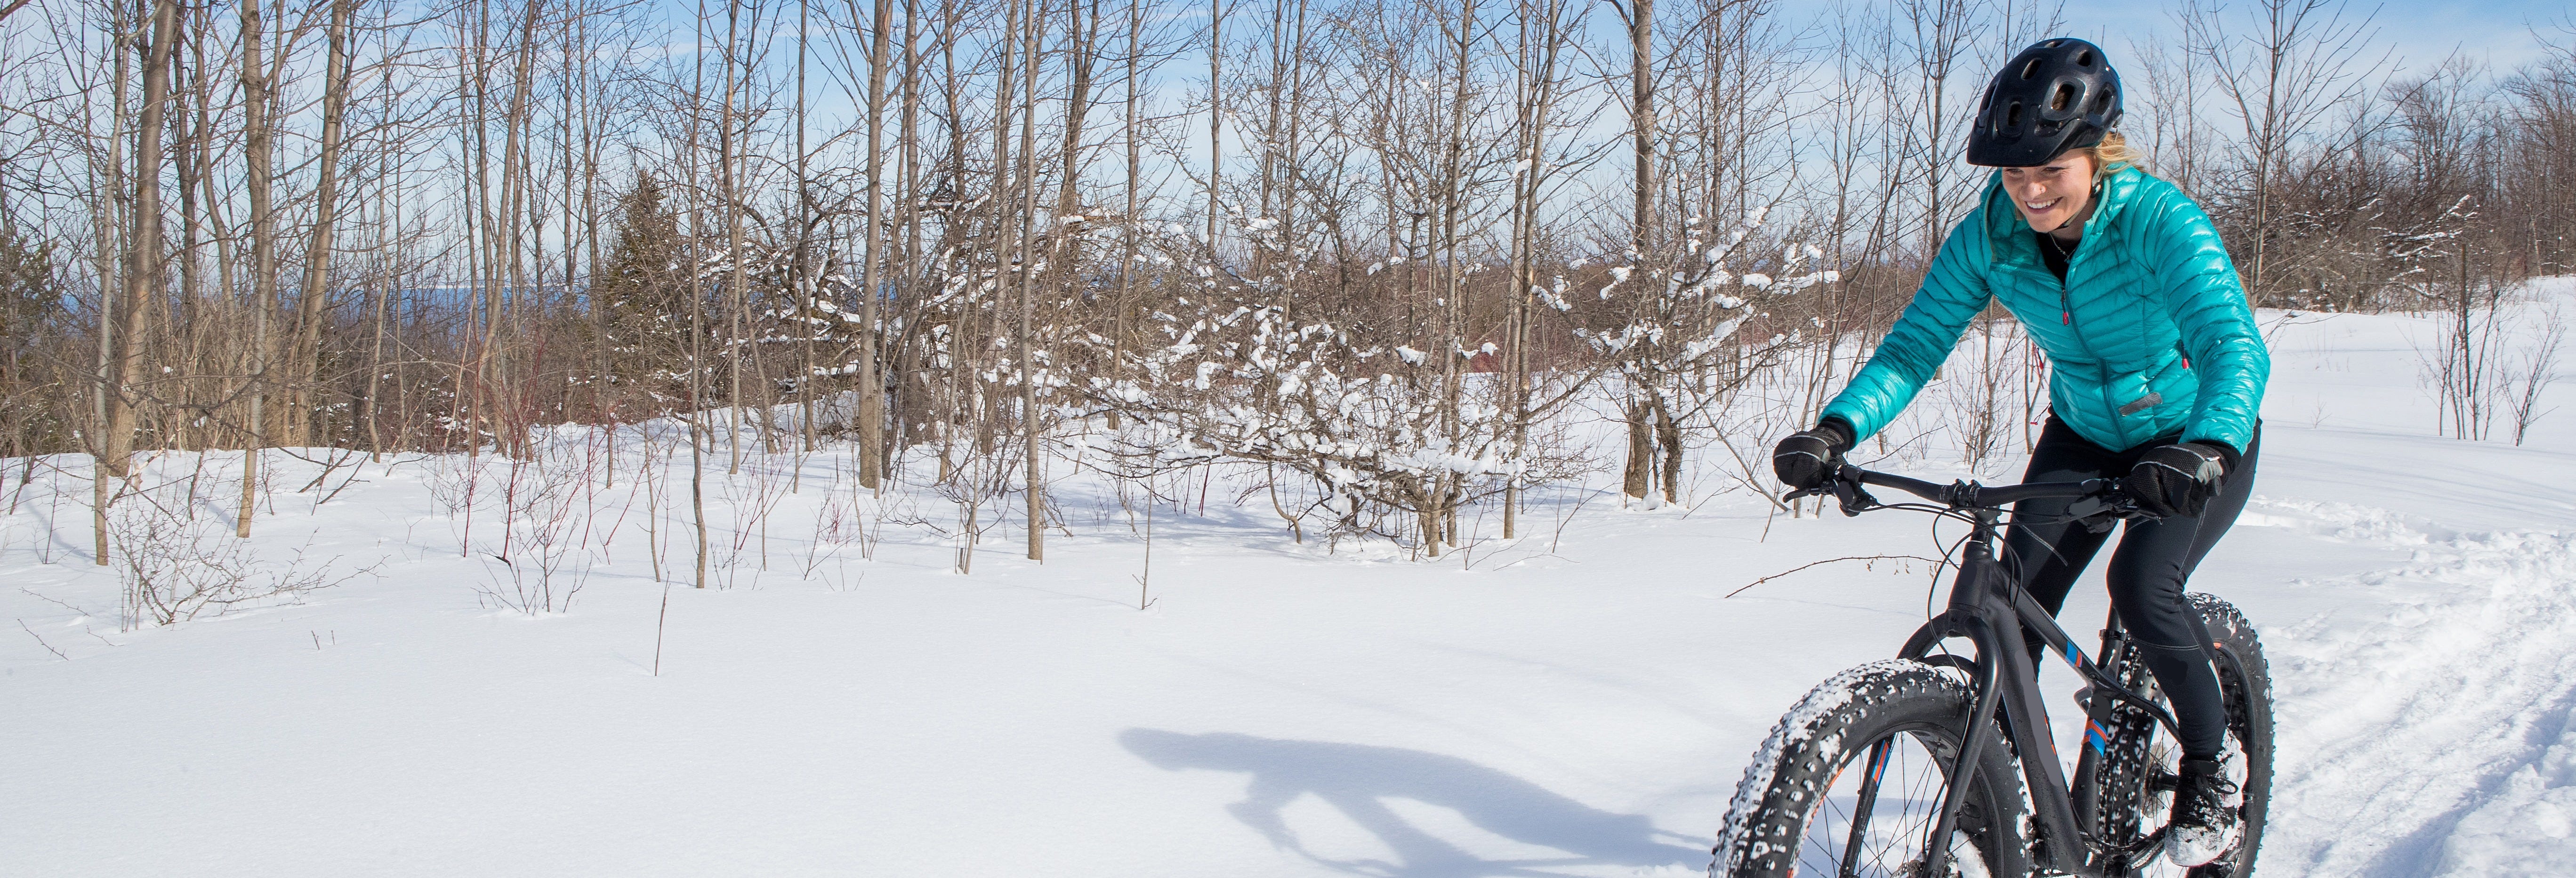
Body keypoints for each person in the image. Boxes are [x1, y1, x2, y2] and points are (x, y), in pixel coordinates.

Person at [1769, 37, 2268, 868]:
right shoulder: (1990, 235)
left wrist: (2211, 442)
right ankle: (2000, 817)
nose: (2032, 192)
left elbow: (2231, 340)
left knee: (2144, 589)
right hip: (2086, 434)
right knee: (2007, 606)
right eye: (2014, 175)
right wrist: (1837, 429)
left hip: (2195, 437)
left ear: (2095, 153)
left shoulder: (2158, 219)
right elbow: (1918, 342)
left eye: (2051, 172)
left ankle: (2213, 771)